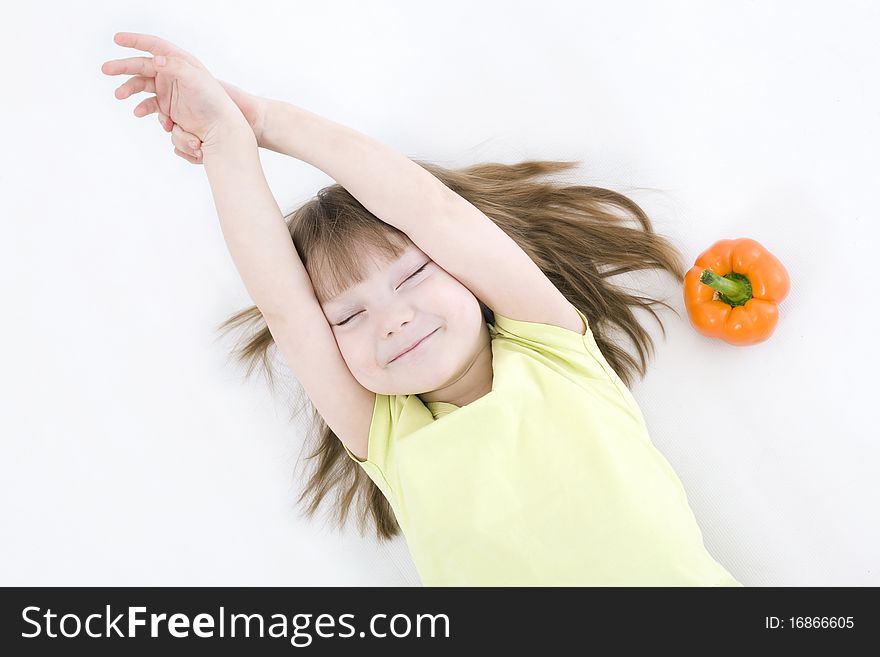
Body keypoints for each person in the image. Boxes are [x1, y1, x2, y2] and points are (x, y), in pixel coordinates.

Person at [102, 32, 743, 586]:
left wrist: (266, 122)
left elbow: (435, 212)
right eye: (347, 317)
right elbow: (286, 309)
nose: (393, 319)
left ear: (464, 272)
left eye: (411, 275)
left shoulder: (552, 350)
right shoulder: (389, 436)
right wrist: (224, 144)